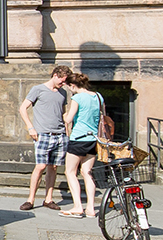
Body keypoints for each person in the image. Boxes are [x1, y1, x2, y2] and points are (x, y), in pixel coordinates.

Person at [18, 65, 72, 211]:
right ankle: (30, 199)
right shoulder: (38, 89)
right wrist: (30, 127)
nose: (63, 84)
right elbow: (23, 108)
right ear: (55, 75)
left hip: (60, 135)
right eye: (62, 80)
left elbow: (63, 113)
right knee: (40, 166)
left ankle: (48, 199)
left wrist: (68, 131)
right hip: (43, 134)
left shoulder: (63, 93)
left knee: (53, 167)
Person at [61, 72, 108, 218]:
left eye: (69, 88)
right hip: (94, 139)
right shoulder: (98, 96)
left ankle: (77, 206)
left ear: (72, 85)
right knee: (87, 172)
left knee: (70, 172)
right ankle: (91, 209)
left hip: (79, 138)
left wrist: (63, 115)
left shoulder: (77, 98)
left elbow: (68, 119)